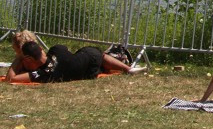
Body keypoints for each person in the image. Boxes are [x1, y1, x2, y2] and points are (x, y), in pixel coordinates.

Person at [7, 40, 144, 83]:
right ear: (41, 49)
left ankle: (125, 68)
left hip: (86, 73)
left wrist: (17, 60)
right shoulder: (56, 50)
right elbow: (65, 51)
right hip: (88, 58)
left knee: (96, 59)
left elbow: (11, 79)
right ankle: (128, 69)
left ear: (29, 59)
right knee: (97, 55)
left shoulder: (42, 73)